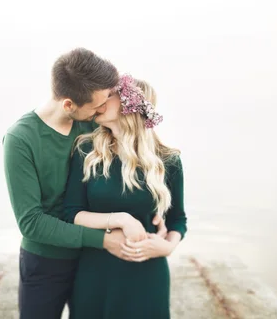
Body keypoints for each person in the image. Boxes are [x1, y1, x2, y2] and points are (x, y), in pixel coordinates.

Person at [3, 49, 166, 319]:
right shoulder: (20, 139)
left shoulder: (94, 125)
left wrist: (154, 210)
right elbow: (31, 222)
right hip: (47, 262)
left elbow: (131, 158)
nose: (103, 110)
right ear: (69, 105)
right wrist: (104, 240)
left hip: (94, 261)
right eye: (97, 105)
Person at [63, 74, 187, 319]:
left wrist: (168, 246)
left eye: (109, 96)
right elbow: (71, 213)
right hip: (94, 271)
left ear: (128, 105)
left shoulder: (168, 160)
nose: (99, 101)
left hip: (147, 273)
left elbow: (177, 219)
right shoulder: (86, 150)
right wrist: (120, 219)